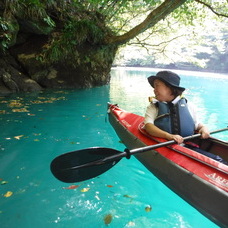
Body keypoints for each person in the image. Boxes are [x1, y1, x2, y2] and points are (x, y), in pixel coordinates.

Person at [144, 70, 227, 164]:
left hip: (187, 147)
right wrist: (168, 136)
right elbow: (148, 126)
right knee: (217, 160)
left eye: (157, 85)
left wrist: (204, 128)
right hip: (166, 146)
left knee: (218, 160)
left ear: (170, 88)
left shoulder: (188, 106)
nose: (154, 89)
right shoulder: (153, 107)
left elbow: (197, 125)